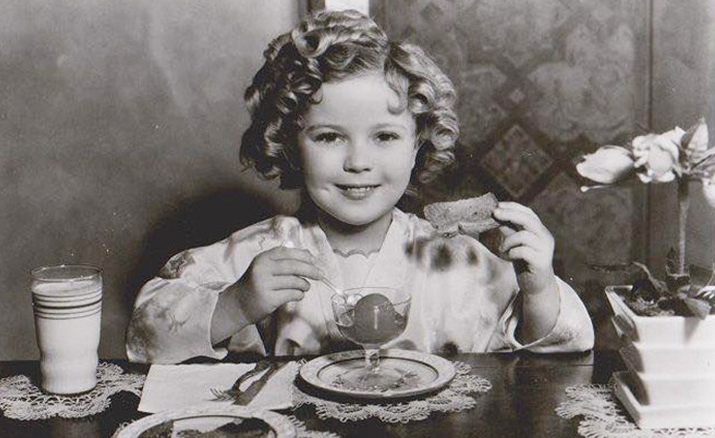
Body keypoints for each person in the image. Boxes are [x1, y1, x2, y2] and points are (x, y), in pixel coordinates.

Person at [126, 9, 594, 364]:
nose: (357, 162)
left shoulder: (456, 257)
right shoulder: (263, 250)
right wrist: (235, 304)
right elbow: (148, 329)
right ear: (289, 145)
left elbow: (564, 345)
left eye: (385, 137)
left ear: (418, 145)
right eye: (329, 137)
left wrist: (537, 290)